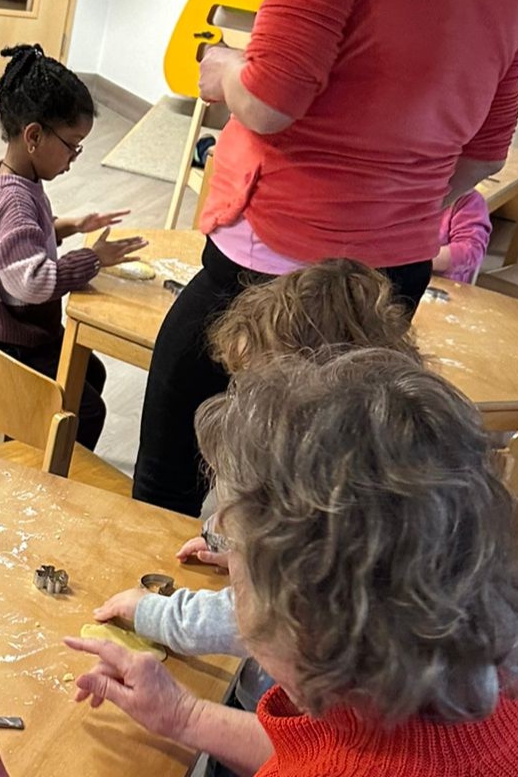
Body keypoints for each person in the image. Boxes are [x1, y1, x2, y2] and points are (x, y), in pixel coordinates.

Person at [135, 0, 518, 515]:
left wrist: (220, 70)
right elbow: (486, 150)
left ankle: (161, 619)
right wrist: (392, 194)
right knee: (313, 497)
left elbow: (275, 99)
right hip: (393, 279)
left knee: (172, 481)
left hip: (275, 271)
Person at [0, 351, 518, 777]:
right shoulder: (490, 688)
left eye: (238, 562)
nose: (224, 567)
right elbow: (332, 753)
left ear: (302, 617)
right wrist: (187, 719)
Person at [93, 260, 423, 723]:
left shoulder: (329, 500)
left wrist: (154, 614)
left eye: (255, 387)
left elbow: (271, 617)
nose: (244, 398)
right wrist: (237, 546)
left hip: (299, 718)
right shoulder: (366, 464)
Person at [0, 44, 146, 449]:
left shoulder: (8, 181)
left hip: (4, 321)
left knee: (90, 373)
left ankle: (28, 443)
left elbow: (13, 247)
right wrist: (93, 259)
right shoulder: (17, 199)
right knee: (89, 410)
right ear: (34, 135)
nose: (74, 157)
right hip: (7, 336)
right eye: (72, 144)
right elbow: (30, 282)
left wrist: (65, 226)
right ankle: (50, 473)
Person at [433, 189, 492, 283]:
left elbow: (472, 251)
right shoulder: (407, 193)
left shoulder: (468, 200)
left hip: (443, 286)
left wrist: (424, 260)